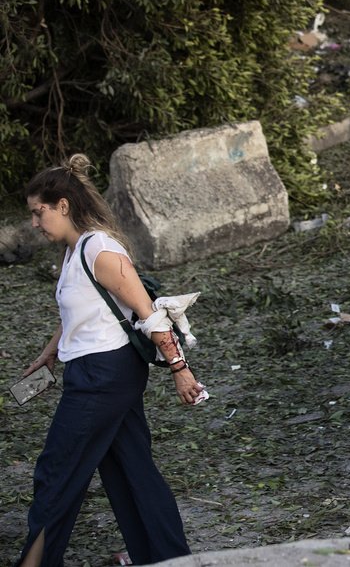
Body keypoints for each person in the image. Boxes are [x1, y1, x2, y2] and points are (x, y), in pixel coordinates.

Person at [18, 154, 204, 566]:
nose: (34, 222)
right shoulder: (73, 251)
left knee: (56, 471)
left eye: (38, 212)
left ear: (62, 205)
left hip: (104, 376)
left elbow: (147, 312)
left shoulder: (99, 249)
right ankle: (168, 559)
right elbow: (81, 312)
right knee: (130, 471)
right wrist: (50, 353)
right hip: (94, 370)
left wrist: (180, 370)